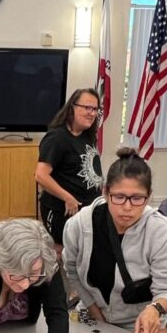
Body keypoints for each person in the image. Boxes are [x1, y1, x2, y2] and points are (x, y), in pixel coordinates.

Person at [62, 147, 167, 333]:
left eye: (137, 198)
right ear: (105, 192)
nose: (127, 208)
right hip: (91, 312)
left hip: (138, 323)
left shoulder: (165, 233)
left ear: (149, 196)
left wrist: (155, 309)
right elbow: (72, 270)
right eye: (118, 197)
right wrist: (95, 311)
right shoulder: (79, 225)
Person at [34, 87, 104, 248]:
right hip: (63, 211)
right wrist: (68, 198)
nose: (92, 113)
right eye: (87, 108)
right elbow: (40, 176)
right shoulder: (58, 137)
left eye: (95, 109)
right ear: (72, 107)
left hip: (87, 211)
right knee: (58, 252)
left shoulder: (87, 135)